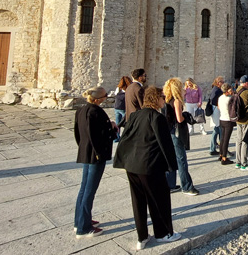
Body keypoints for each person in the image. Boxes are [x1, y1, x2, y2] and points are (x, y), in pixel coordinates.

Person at [114, 86, 182, 249]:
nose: (164, 100)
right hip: (150, 166)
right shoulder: (157, 118)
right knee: (159, 199)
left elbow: (126, 137)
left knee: (138, 201)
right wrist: (171, 166)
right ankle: (163, 233)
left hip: (132, 165)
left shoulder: (135, 115)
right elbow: (165, 144)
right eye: (162, 97)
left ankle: (142, 237)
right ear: (155, 99)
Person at [73, 86, 116, 238]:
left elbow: (78, 133)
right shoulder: (96, 112)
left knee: (84, 188)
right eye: (105, 96)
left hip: (86, 153)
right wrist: (112, 128)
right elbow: (100, 136)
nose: (106, 97)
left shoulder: (81, 110)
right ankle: (84, 228)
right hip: (96, 156)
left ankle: (79, 220)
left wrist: (83, 148)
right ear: (98, 99)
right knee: (89, 190)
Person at [163, 77, 200, 196]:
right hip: (176, 132)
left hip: (168, 132)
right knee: (181, 160)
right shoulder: (177, 101)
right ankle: (187, 186)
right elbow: (179, 119)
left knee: (171, 159)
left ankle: (170, 185)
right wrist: (186, 116)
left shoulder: (165, 100)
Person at [235, 76, 248, 170]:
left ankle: (237, 162)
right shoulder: (247, 93)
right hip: (246, 120)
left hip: (238, 119)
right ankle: (244, 163)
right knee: (245, 141)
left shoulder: (236, 90)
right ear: (246, 83)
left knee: (238, 140)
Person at [217, 83, 236, 165]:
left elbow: (218, 107)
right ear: (227, 91)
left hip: (222, 119)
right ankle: (224, 158)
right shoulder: (229, 99)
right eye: (230, 89)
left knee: (222, 138)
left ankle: (221, 154)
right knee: (226, 140)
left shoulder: (220, 97)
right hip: (228, 120)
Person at [208, 76, 224, 156]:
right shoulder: (217, 90)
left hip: (216, 110)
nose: (223, 83)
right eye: (222, 82)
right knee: (218, 129)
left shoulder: (216, 89)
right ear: (218, 83)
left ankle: (214, 148)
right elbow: (213, 99)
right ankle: (219, 148)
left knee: (216, 130)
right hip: (216, 111)